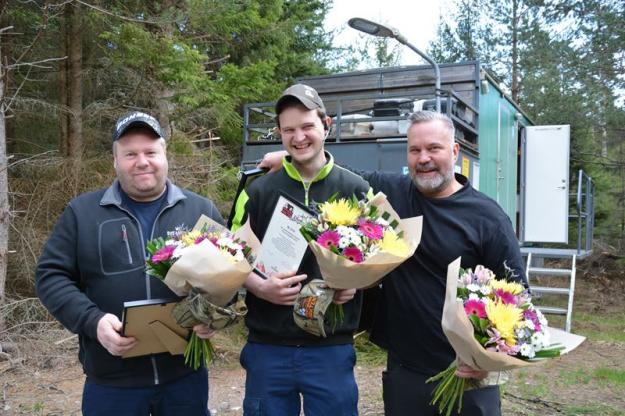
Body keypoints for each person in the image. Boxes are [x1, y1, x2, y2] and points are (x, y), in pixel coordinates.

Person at [258, 110, 527, 416]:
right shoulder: (395, 193)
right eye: (415, 150)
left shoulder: (488, 218)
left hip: (466, 376)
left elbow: (518, 295)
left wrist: (485, 359)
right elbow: (340, 173)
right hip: (405, 371)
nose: (423, 158)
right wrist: (290, 156)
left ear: (454, 151)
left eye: (433, 148)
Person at [36, 111, 222, 416]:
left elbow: (228, 277)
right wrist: (92, 322)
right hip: (111, 382)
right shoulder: (82, 214)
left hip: (185, 379)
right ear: (115, 161)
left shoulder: (201, 210)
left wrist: (213, 317)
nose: (142, 161)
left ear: (165, 155)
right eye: (130, 154)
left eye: (151, 152)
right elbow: (50, 276)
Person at [231, 84, 370, 415]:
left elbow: (380, 257)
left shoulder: (356, 189)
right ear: (279, 133)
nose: (299, 137)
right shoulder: (258, 190)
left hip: (331, 348)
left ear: (326, 125)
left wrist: (356, 282)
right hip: (268, 347)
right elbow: (231, 254)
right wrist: (259, 287)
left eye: (307, 126)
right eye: (289, 129)